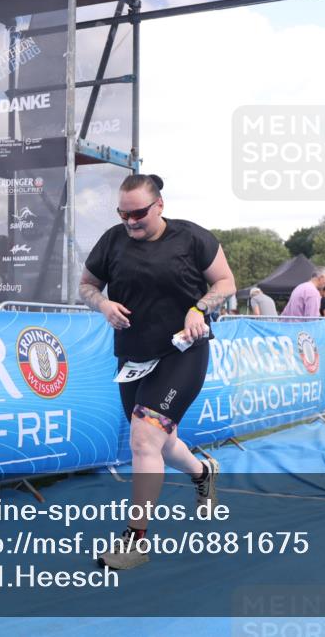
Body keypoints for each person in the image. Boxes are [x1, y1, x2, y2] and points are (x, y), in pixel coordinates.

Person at [80, 173, 235, 570]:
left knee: (143, 440)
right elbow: (86, 285)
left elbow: (226, 282)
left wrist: (200, 308)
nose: (130, 222)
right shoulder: (112, 241)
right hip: (133, 357)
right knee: (161, 445)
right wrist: (102, 305)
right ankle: (203, 472)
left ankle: (136, 541)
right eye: (123, 214)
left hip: (182, 351)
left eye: (139, 214)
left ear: (160, 205)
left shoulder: (192, 238)